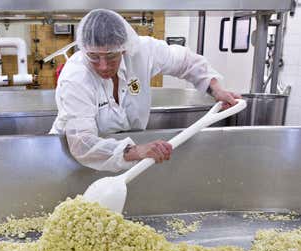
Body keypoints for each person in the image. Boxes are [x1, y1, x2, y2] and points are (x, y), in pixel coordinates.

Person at [51, 9, 240, 172]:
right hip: (71, 162)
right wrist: (137, 151)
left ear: (123, 49)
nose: (102, 66)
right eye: (93, 56)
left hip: (128, 159)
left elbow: (185, 61)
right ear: (84, 50)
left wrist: (216, 89)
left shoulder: (142, 51)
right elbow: (82, 144)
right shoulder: (75, 76)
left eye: (110, 56)